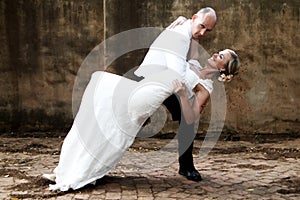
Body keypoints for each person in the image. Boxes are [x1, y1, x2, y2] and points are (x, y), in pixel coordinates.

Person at [43, 46, 240, 191]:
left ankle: (186, 167)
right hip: (161, 90)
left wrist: (181, 94)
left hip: (180, 100)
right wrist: (184, 24)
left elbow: (192, 115)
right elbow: (188, 40)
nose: (215, 54)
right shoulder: (194, 62)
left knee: (188, 126)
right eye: (218, 52)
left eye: (220, 56)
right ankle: (96, 156)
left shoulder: (205, 87)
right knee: (127, 107)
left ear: (223, 70)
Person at [134, 7, 217, 181]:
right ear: (194, 18)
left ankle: (186, 167)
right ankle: (186, 167)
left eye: (207, 30)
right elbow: (177, 73)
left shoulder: (188, 32)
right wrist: (197, 90)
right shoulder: (180, 36)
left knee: (187, 121)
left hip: (165, 82)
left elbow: (191, 59)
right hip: (153, 81)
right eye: (202, 26)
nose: (203, 32)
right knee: (133, 123)